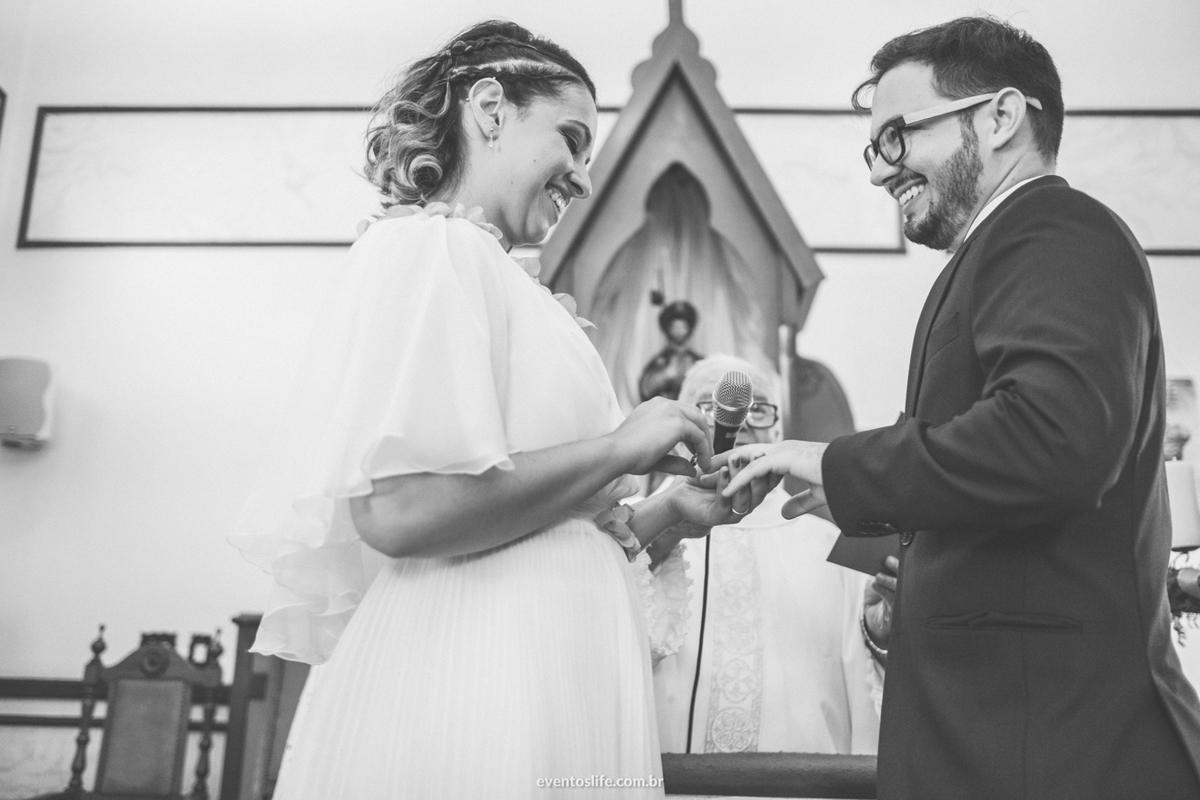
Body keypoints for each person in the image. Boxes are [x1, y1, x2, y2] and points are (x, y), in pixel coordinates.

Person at [231, 20, 772, 799]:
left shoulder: (506, 279)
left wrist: (666, 515)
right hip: (476, 672)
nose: (583, 178)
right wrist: (621, 446)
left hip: (553, 668)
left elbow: (547, 525)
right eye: (572, 138)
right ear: (489, 108)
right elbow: (403, 508)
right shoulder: (431, 249)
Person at [720, 15, 1200, 800]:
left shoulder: (1053, 230)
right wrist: (897, 535)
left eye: (899, 137)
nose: (881, 172)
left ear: (1001, 116)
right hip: (1012, 739)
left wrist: (838, 461)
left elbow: (1052, 441)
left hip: (1050, 749)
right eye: (875, 147)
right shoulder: (1003, 246)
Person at [645, 356, 886, 756]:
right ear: (679, 433)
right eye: (709, 406)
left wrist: (879, 637)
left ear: (778, 431)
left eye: (757, 409)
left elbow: (868, 683)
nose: (737, 422)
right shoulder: (637, 526)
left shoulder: (832, 546)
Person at [638, 300, 705, 402]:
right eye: (674, 327)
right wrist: (664, 376)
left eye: (682, 327)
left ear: (689, 329)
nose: (678, 331)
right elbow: (645, 391)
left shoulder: (699, 361)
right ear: (668, 330)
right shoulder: (659, 362)